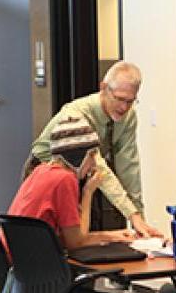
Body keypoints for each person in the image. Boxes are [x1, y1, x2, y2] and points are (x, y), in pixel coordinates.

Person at [6, 115, 133, 293]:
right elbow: (76, 242)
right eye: (91, 155)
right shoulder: (64, 180)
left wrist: (111, 235)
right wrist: (88, 193)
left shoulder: (41, 171)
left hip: (22, 282)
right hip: (44, 287)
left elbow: (72, 237)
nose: (93, 164)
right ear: (77, 155)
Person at [28, 60, 162, 238]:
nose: (124, 107)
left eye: (130, 101)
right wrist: (132, 215)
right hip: (48, 170)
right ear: (104, 88)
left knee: (88, 233)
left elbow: (128, 166)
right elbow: (98, 166)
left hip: (84, 173)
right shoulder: (76, 114)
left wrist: (140, 220)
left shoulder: (128, 117)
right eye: (120, 99)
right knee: (62, 241)